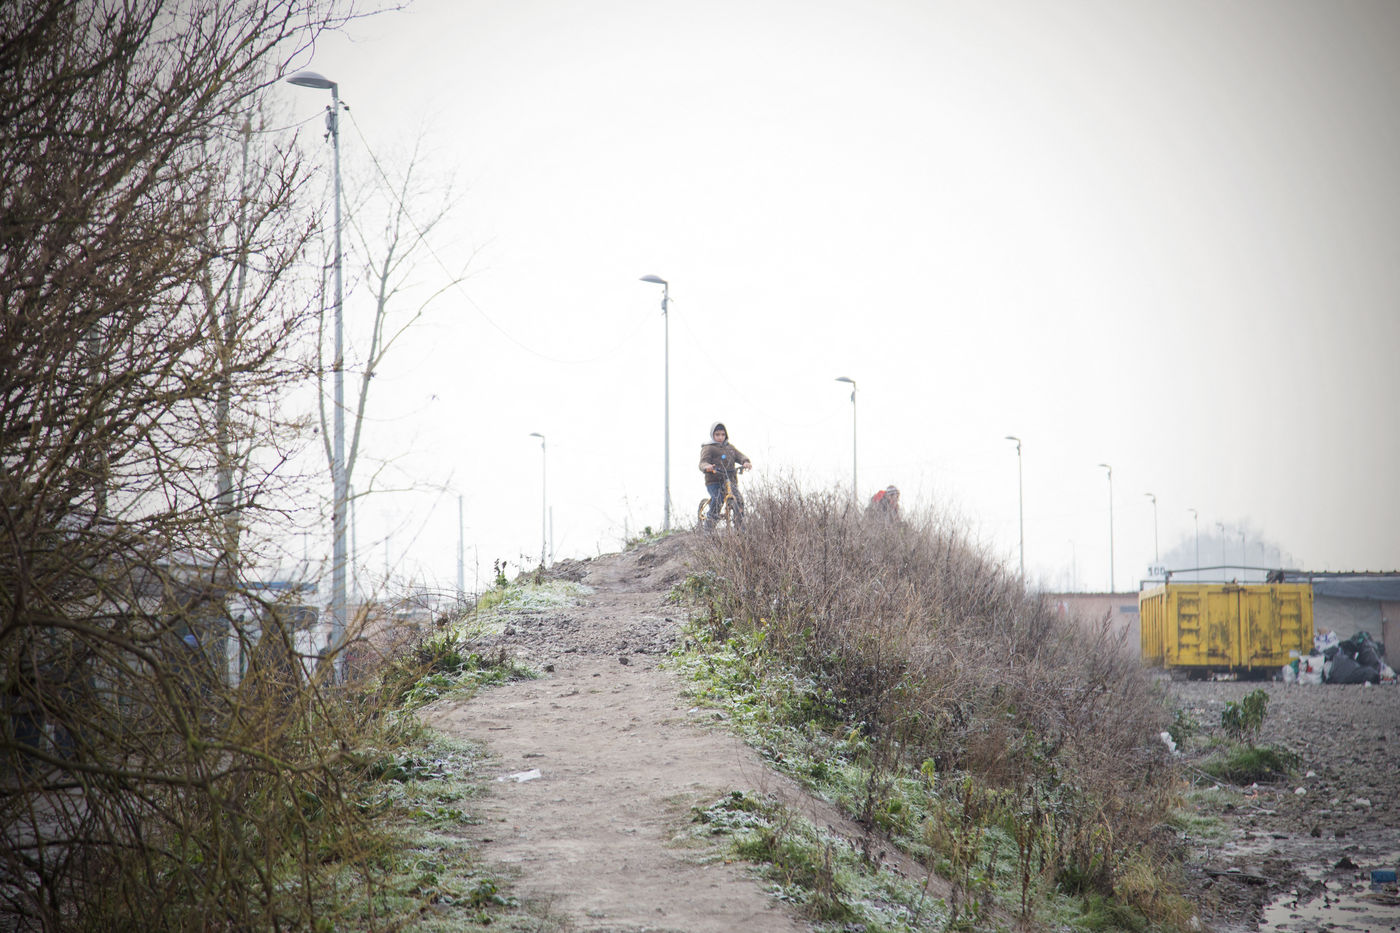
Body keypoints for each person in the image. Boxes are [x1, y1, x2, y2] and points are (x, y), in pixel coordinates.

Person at [699, 422, 752, 528]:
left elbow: (739, 456)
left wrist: (745, 462)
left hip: (729, 479)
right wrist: (707, 467)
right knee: (717, 499)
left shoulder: (730, 448)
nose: (720, 437)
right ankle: (709, 526)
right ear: (712, 435)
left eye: (723, 434)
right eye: (717, 434)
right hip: (714, 481)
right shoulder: (708, 448)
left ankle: (740, 527)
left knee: (738, 500)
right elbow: (703, 462)